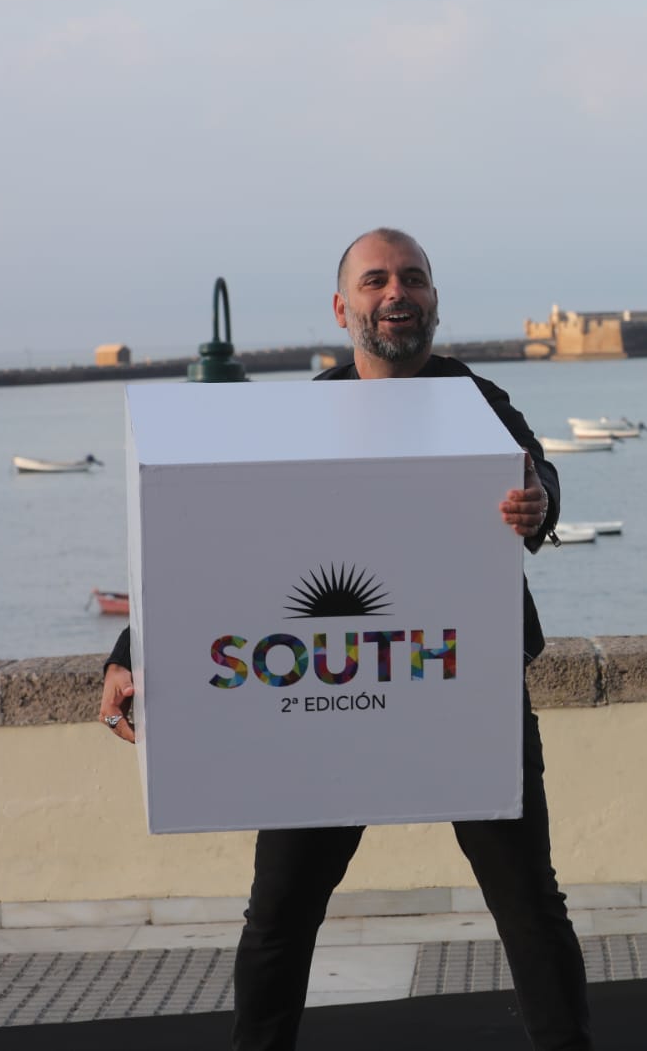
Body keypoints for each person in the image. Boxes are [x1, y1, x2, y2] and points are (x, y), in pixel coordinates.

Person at [99, 227, 593, 1051]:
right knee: (279, 913)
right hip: (324, 695)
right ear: (342, 308)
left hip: (463, 693)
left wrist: (535, 500)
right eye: (375, 280)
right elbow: (214, 544)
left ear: (433, 300)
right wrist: (131, 651)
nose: (397, 292)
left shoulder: (477, 399)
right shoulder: (305, 414)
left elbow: (536, 477)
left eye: (413, 278)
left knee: (530, 905)